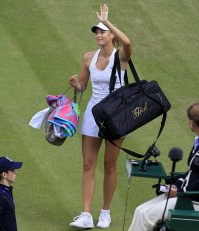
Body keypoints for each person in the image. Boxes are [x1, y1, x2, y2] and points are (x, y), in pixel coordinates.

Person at [68, 3, 132, 229]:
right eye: (96, 31)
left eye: (101, 31)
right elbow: (84, 86)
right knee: (88, 163)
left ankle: (105, 212)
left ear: (111, 34)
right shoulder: (88, 57)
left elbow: (127, 42)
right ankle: (86, 214)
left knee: (110, 164)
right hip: (93, 114)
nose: (98, 34)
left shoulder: (121, 57)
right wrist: (77, 85)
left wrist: (107, 22)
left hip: (116, 116)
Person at [128, 102, 199, 231]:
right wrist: (175, 185)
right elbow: (192, 172)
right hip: (188, 196)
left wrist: (179, 192)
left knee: (146, 215)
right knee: (139, 210)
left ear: (191, 122)